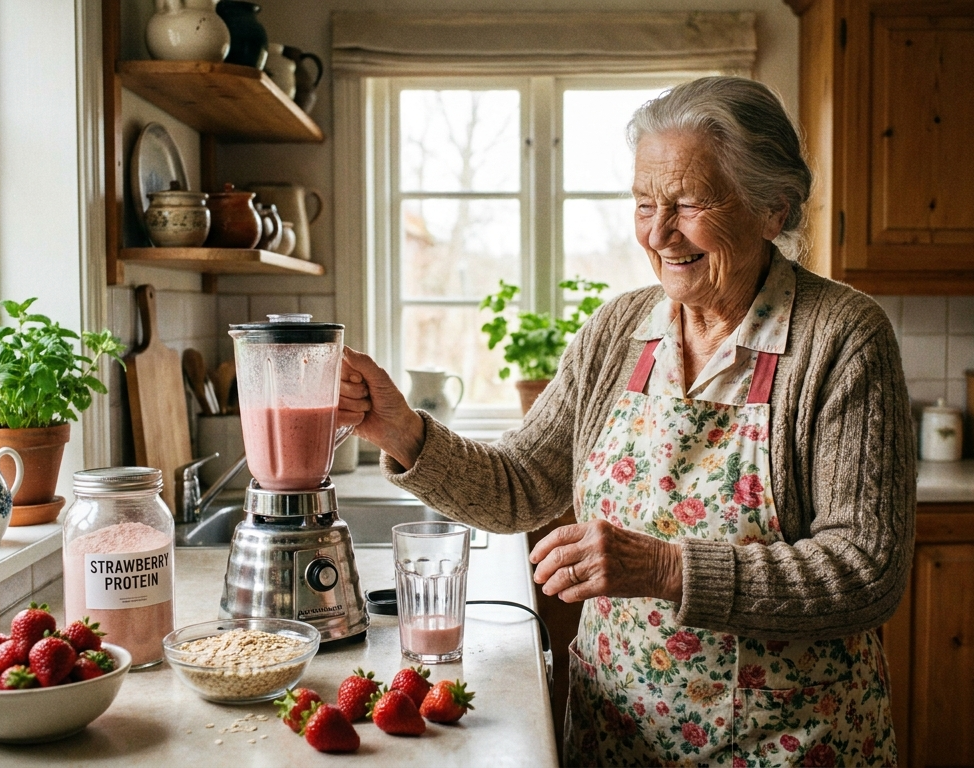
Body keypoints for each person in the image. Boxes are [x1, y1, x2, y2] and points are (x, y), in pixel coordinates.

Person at [337, 76, 915, 766]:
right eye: (645, 203)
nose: (659, 232)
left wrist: (667, 568)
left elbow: (865, 571)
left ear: (772, 209)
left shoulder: (842, 336)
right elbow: (521, 485)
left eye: (689, 204)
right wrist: (402, 430)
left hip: (786, 744)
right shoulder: (619, 329)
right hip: (618, 737)